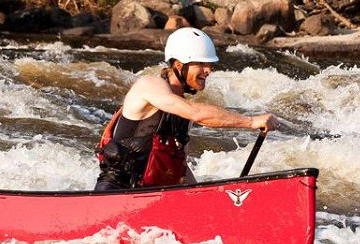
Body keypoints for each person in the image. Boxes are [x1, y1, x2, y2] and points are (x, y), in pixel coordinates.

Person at [94, 27, 279, 190]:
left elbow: (180, 168)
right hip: (115, 190)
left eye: (210, 65)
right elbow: (197, 113)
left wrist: (198, 196)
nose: (208, 70)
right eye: (201, 64)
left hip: (152, 195)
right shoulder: (148, 85)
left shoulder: (180, 114)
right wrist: (251, 121)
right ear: (179, 65)